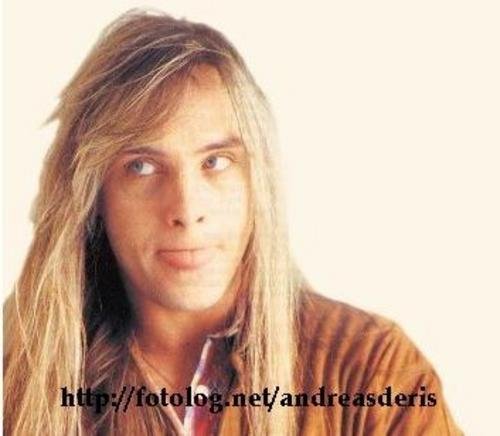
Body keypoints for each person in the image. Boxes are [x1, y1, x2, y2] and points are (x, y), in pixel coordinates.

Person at [3, 9, 462, 435]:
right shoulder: (17, 381)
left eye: (216, 162)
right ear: (92, 195)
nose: (187, 209)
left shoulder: (375, 374)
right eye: (141, 166)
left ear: (258, 179)